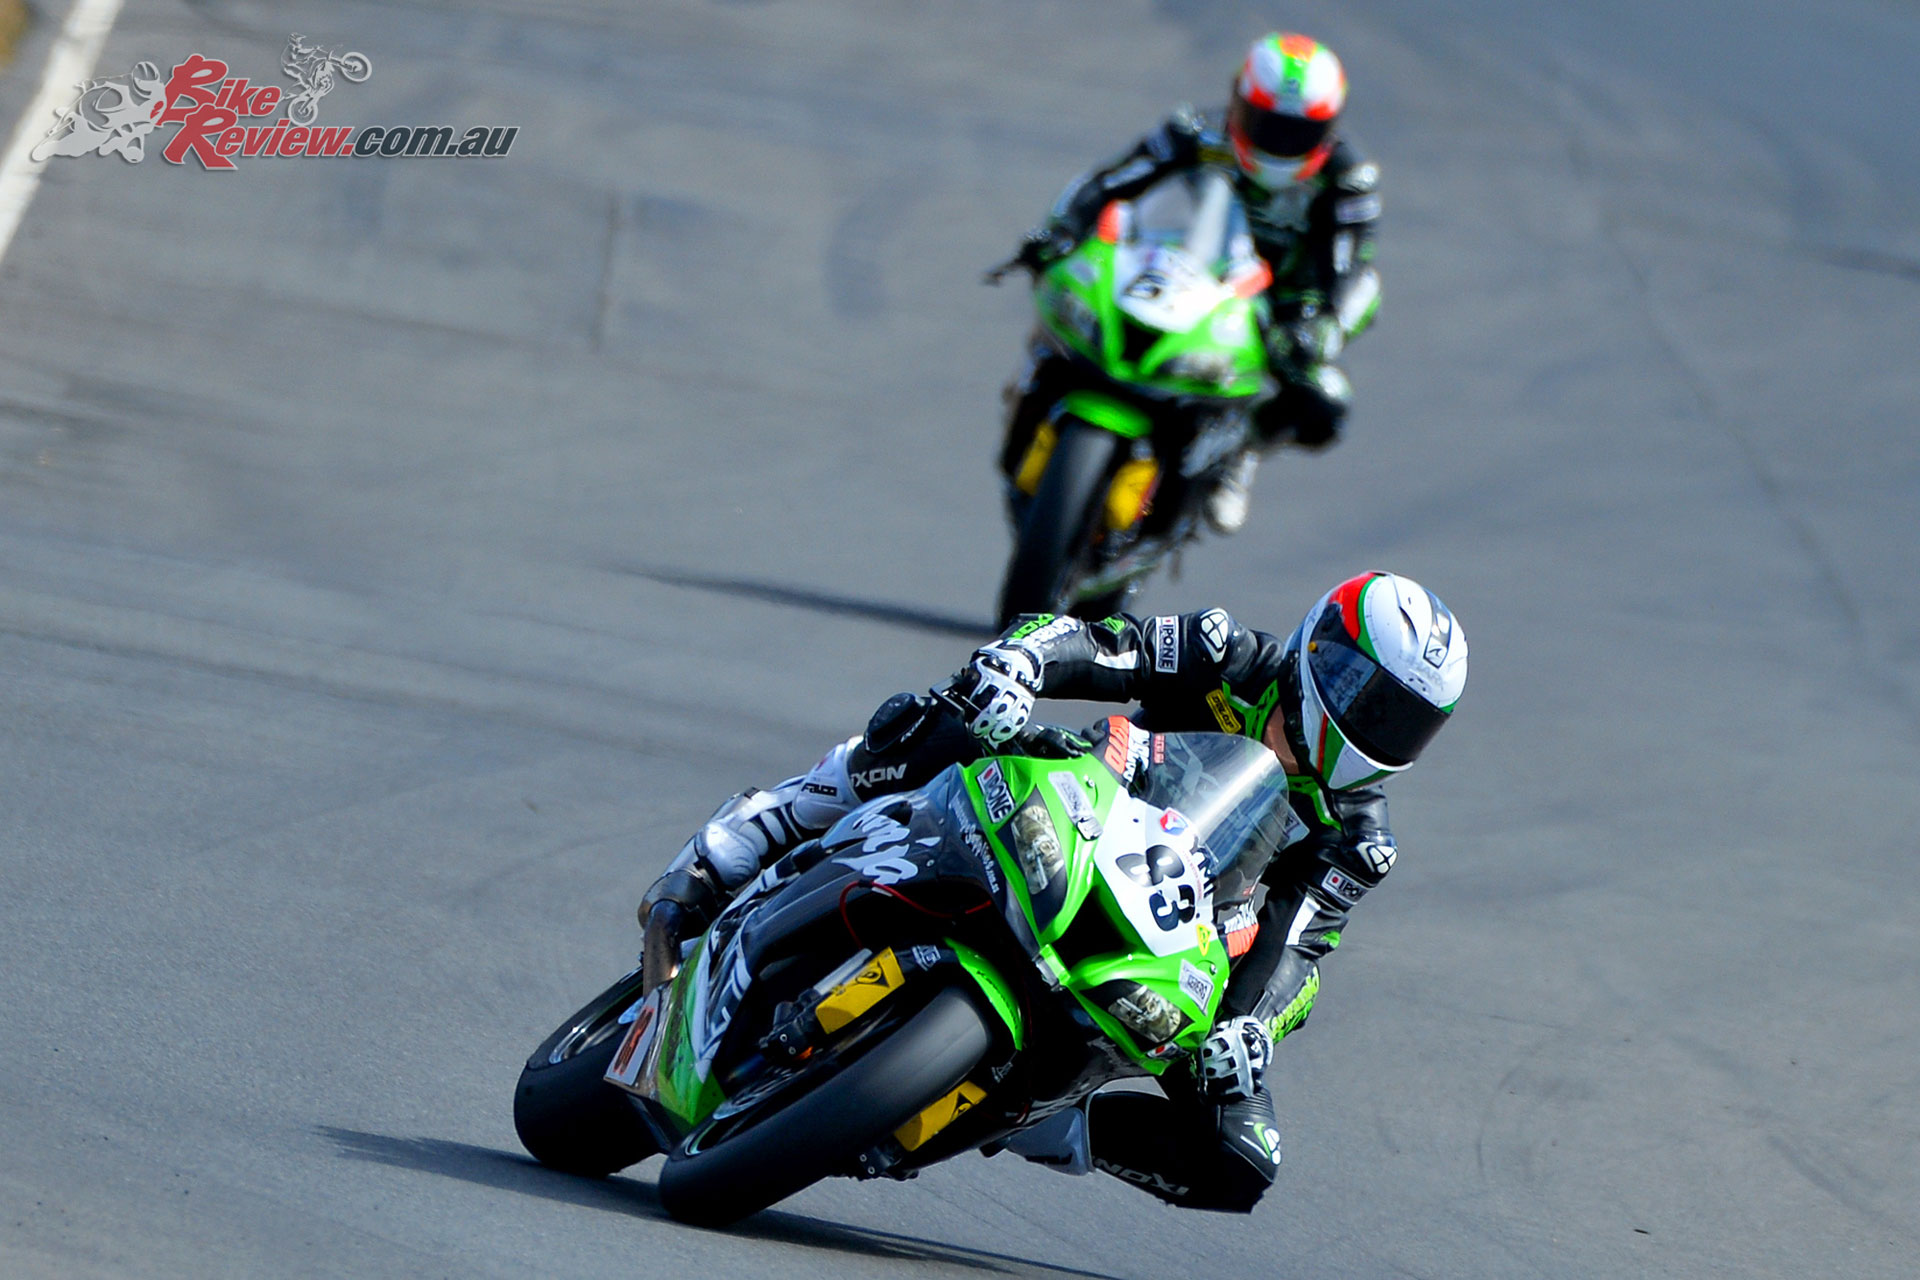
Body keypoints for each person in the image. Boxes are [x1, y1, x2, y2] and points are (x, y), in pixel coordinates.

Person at [639, 571, 1467, 1212]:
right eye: (1365, 694)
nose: (1373, 725)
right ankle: (752, 835)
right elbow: (1101, 643)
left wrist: (1252, 1026)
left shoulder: (1359, 839)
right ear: (1318, 650)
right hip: (1069, 812)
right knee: (942, 721)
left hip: (1166, 940)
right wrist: (1022, 664)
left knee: (1241, 1158)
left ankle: (1037, 1119)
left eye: (1401, 721)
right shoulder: (1226, 653)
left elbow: (1295, 946)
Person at [996, 32, 1382, 536]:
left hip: (1282, 299)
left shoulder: (1349, 180)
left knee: (1324, 398)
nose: (1279, 144)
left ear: (1328, 130)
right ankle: (1037, 379)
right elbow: (1110, 180)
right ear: (1238, 102)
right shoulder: (1195, 132)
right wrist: (1060, 231)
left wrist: (1316, 326)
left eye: (1297, 133)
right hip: (1179, 264)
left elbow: (1346, 266)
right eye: (1265, 124)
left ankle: (1241, 451)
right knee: (1069, 284)